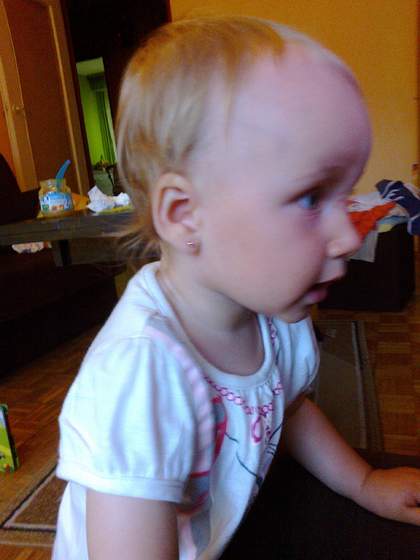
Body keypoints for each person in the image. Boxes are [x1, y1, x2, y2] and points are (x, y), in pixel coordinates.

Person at [53, 16, 420, 560]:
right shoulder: (140, 377)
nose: (347, 236)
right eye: (309, 198)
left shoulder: (274, 315)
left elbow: (287, 409)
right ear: (186, 214)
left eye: (344, 194)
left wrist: (364, 483)